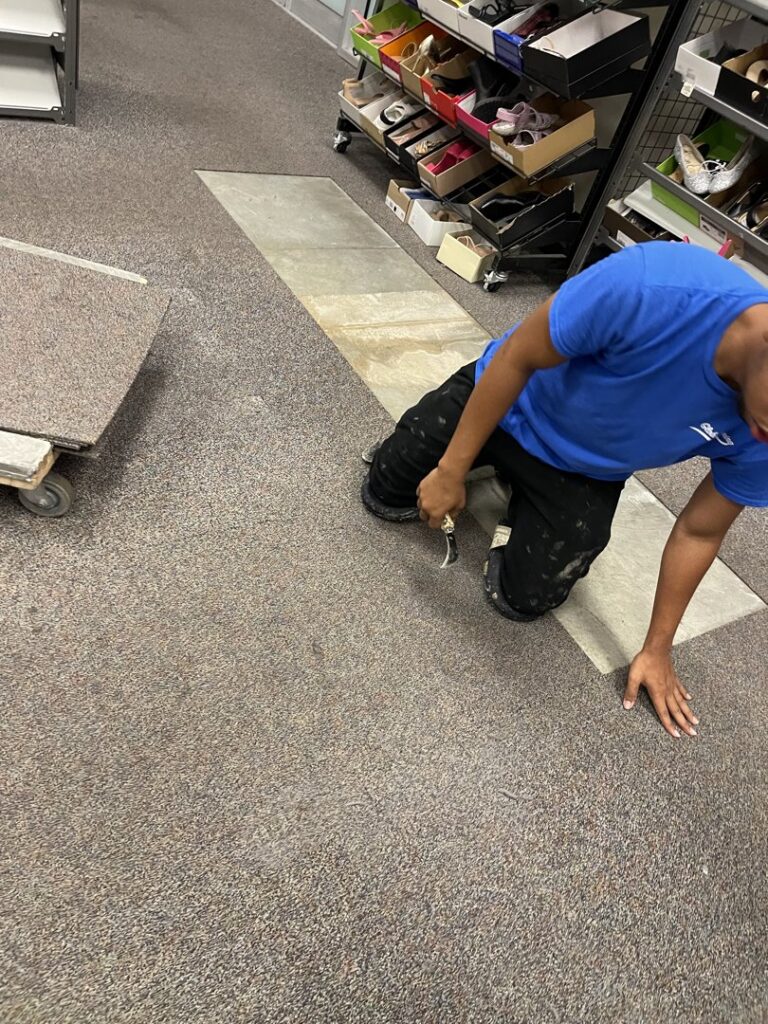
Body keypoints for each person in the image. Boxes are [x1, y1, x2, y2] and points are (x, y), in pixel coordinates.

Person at [361, 241, 768, 739]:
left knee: (524, 600)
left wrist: (658, 647)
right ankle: (473, 464)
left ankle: (517, 500)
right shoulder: (651, 285)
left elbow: (700, 532)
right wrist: (449, 470)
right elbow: (517, 356)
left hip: (586, 469)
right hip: (514, 404)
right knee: (386, 492)